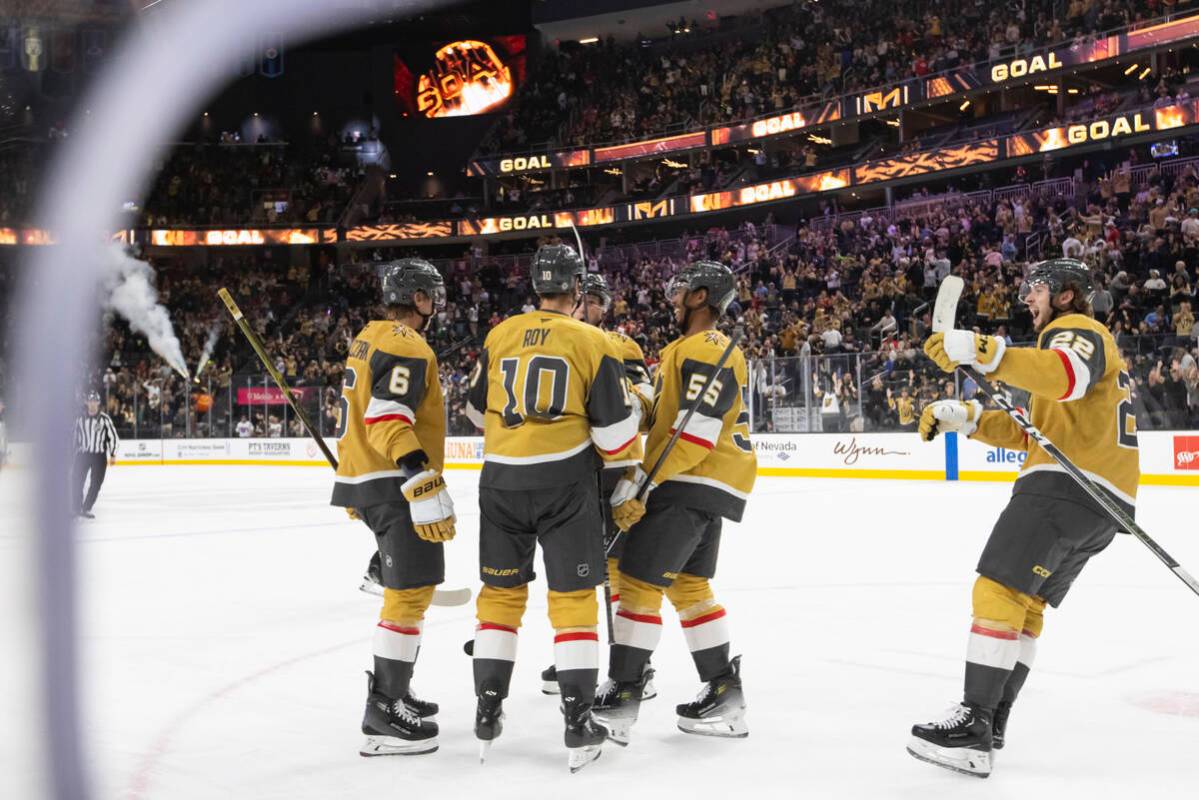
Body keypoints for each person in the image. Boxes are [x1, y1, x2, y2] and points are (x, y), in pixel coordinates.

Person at [910, 258, 1139, 778]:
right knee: (1027, 608)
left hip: (1065, 488)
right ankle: (992, 721)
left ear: (1064, 293)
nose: (1024, 301)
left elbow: (1064, 377)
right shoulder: (1061, 348)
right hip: (1098, 504)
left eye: (1033, 290)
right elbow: (1031, 433)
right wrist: (966, 419)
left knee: (996, 590)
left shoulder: (1076, 330)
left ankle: (973, 722)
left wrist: (983, 351)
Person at [464, 244, 641, 772]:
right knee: (573, 603)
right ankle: (576, 720)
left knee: (499, 596)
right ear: (577, 291)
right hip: (565, 483)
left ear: (535, 290)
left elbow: (476, 412)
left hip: (499, 481)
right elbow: (614, 436)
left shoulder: (499, 335)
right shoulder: (592, 338)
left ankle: (487, 712)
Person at [593, 261, 757, 745]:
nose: (673, 297)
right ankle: (724, 689)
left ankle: (622, 693)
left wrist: (641, 481)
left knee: (639, 582)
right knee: (690, 587)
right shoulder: (684, 350)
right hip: (708, 484)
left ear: (702, 296)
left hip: (689, 478)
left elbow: (697, 432)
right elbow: (671, 418)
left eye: (682, 290)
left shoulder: (706, 346)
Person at [329, 258, 455, 757]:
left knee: (410, 592)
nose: (436, 304)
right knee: (409, 593)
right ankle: (384, 710)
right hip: (393, 482)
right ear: (418, 297)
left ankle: (396, 692)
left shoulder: (368, 335)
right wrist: (419, 478)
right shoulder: (406, 343)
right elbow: (386, 416)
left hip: (368, 478)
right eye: (431, 295)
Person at [540, 273, 657, 700]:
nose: (583, 307)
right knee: (576, 569)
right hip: (572, 470)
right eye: (579, 300)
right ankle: (579, 653)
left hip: (615, 470)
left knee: (617, 571)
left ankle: (630, 664)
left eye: (592, 301)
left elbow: (647, 400)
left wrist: (620, 398)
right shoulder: (556, 342)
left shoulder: (621, 346)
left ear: (603, 308)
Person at [72, 390, 119, 518]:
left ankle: (86, 508)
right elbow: (75, 437)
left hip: (99, 456)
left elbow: (113, 436)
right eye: (90, 401)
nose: (92, 404)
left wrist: (113, 453)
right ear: (86, 402)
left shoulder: (104, 419)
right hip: (83, 454)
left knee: (96, 483)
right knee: (76, 481)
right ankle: (76, 508)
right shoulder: (80, 419)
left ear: (98, 403)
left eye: (95, 401)